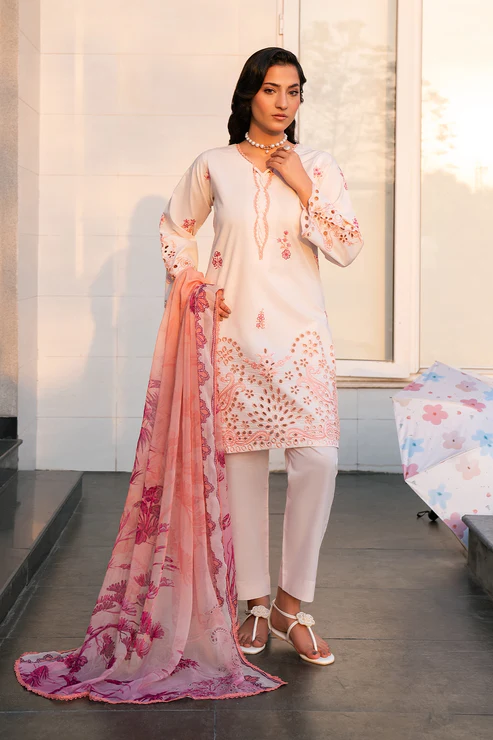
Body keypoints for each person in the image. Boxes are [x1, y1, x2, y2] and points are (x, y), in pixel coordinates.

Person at [159, 47, 364, 666]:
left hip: (301, 338)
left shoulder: (318, 166)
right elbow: (175, 229)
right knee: (242, 471)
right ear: (249, 93)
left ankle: (290, 606)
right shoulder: (213, 164)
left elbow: (347, 246)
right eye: (272, 89)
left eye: (293, 92)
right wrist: (197, 285)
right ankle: (253, 604)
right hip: (235, 335)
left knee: (318, 461)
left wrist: (301, 184)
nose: (283, 102)